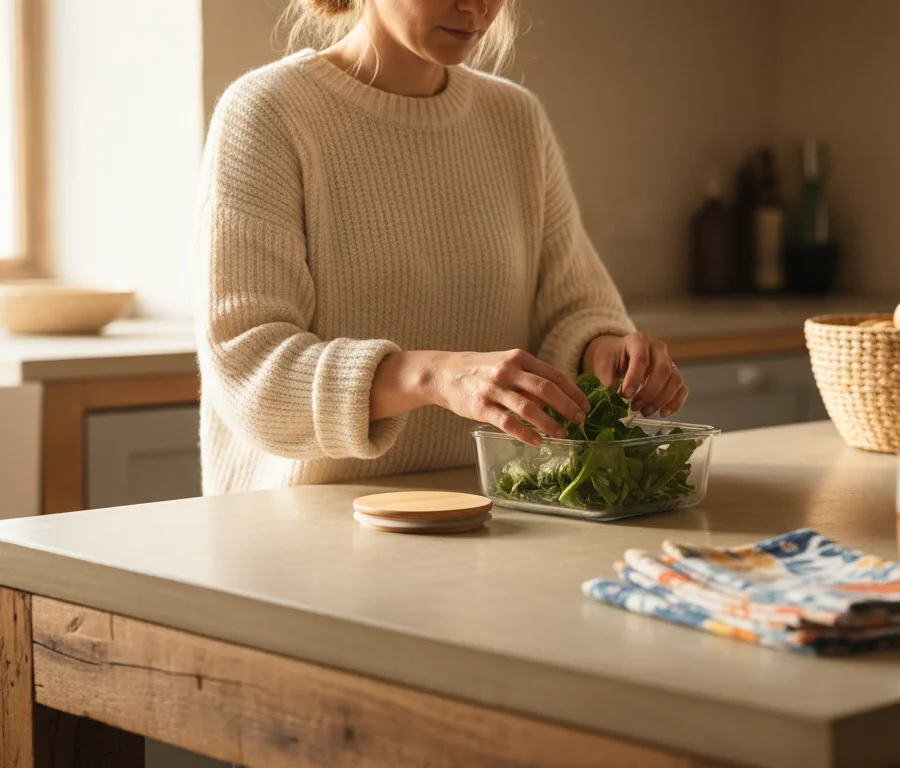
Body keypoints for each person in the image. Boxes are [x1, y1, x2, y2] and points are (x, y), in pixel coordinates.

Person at [197, 0, 688, 494]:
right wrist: (435, 376)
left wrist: (605, 355)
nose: (475, 6)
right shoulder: (268, 112)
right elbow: (249, 371)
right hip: (307, 530)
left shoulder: (515, 120)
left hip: (493, 513)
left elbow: (572, 308)